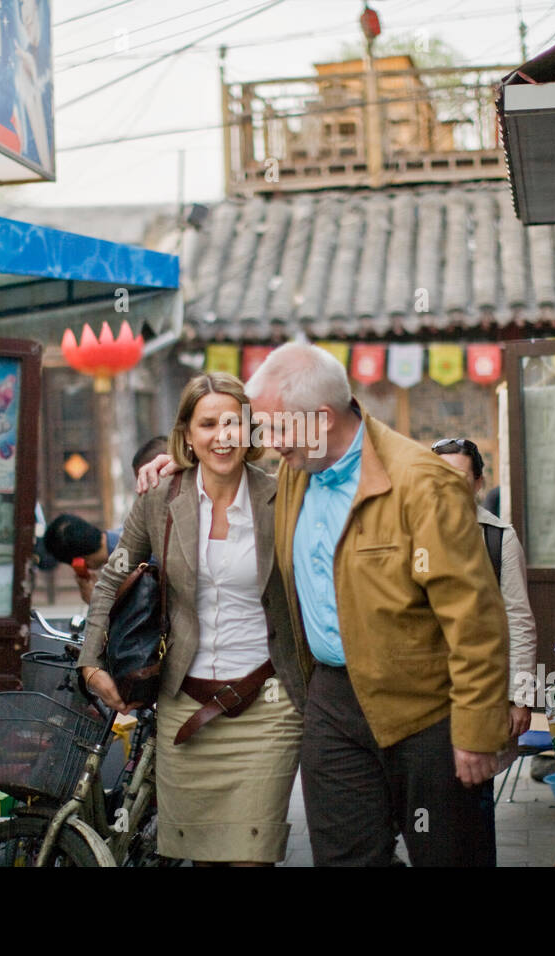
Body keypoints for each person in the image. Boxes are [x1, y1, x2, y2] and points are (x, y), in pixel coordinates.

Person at [140, 344, 511, 866]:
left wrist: (477, 729)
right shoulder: (298, 467)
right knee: (344, 857)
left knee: (449, 855)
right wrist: (177, 466)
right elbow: (226, 461)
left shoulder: (423, 484)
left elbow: (475, 618)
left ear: (322, 418)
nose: (264, 441)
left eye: (272, 427)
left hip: (425, 706)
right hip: (333, 701)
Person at [80, 372, 308, 866]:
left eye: (233, 422)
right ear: (186, 433)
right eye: (208, 424)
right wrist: (90, 662)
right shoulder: (161, 498)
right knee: (202, 861)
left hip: (268, 705)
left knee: (252, 857)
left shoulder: (284, 497)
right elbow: (110, 578)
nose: (222, 435)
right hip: (185, 707)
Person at [432, 436, 538, 865]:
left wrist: (520, 695)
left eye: (459, 478)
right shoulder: (404, 530)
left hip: (477, 699)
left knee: (471, 811)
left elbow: (520, 620)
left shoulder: (498, 538)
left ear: (477, 483)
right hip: (418, 700)